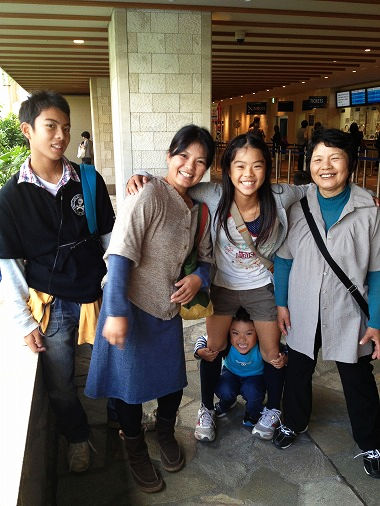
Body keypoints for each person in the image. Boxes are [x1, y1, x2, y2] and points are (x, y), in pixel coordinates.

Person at [126, 133, 310, 443]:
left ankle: (273, 409)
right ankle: (207, 409)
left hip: (261, 286)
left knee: (273, 353)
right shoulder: (212, 193)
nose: (247, 175)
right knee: (211, 351)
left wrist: (364, 196)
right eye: (239, 166)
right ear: (227, 169)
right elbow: (174, 180)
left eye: (257, 166)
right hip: (222, 286)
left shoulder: (280, 195)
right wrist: (142, 177)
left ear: (267, 168)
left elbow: (316, 187)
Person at [85, 125, 214, 493]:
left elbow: (204, 259)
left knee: (172, 382)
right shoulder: (148, 194)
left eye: (200, 161)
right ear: (169, 156)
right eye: (183, 156)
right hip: (129, 305)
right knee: (129, 390)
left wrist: (198, 279)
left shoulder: (198, 209)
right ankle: (135, 448)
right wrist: (116, 313)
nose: (190, 166)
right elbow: (120, 254)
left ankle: (164, 432)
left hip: (166, 311)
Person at [0, 91, 115, 473]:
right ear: (27, 130)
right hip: (51, 304)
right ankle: (78, 438)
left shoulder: (87, 179)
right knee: (61, 382)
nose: (61, 136)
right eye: (51, 126)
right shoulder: (11, 197)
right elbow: (11, 265)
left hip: (95, 295)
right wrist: (23, 321)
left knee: (115, 366)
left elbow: (111, 241)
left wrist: (117, 291)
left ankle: (122, 425)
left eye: (65, 128)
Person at [272, 128, 380, 479]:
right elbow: (285, 260)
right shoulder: (298, 204)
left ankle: (372, 441)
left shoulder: (369, 209)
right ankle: (293, 421)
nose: (326, 166)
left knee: (357, 377)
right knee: (298, 369)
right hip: (303, 307)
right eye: (318, 159)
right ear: (309, 165)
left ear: (350, 163)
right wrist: (281, 304)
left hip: (349, 311)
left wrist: (376, 321)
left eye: (335, 158)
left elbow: (378, 272)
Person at [194, 307, 287, 431]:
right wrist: (200, 351)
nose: (242, 339)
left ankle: (252, 413)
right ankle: (227, 402)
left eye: (249, 333)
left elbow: (283, 350)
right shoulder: (226, 341)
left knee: (252, 391)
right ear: (228, 332)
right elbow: (203, 339)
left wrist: (285, 358)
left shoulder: (263, 344)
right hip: (231, 374)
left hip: (255, 377)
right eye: (235, 333)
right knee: (224, 389)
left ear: (258, 334)